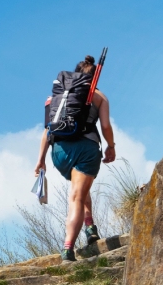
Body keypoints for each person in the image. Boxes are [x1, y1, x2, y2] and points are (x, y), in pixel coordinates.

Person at [34, 55, 117, 262]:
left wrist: (41, 159)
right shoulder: (99, 96)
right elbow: (105, 126)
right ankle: (68, 248)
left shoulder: (57, 96)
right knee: (77, 197)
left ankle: (90, 227)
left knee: (79, 189)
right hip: (85, 149)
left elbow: (47, 129)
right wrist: (111, 146)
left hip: (59, 152)